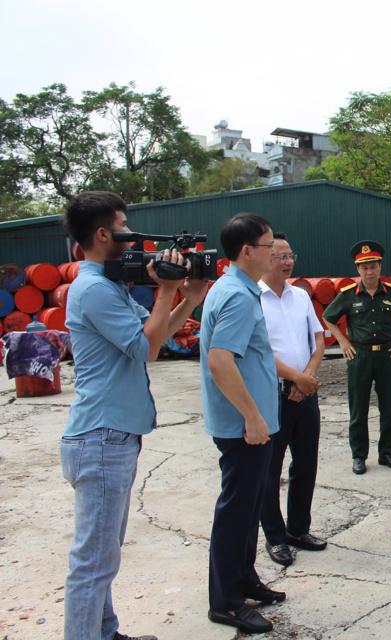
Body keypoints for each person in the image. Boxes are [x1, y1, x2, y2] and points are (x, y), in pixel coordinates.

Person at [60, 191, 206, 640]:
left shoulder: (109, 287)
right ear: (103, 234)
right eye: (124, 227)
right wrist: (165, 291)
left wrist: (189, 297)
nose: (132, 237)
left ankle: (104, 633)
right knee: (93, 561)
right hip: (101, 437)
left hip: (112, 435)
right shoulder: (93, 289)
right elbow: (144, 349)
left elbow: (155, 336)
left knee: (104, 553)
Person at [200, 213, 283, 634]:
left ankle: (244, 578)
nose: (274, 252)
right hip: (242, 427)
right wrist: (252, 416)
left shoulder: (238, 289)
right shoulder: (235, 295)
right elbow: (220, 360)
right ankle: (227, 601)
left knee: (249, 507)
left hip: (253, 424)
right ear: (247, 251)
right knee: (236, 511)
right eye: (269, 246)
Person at [258, 232, 327, 568]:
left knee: (305, 465)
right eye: (279, 256)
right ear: (263, 257)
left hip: (306, 391)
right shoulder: (252, 298)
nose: (287, 262)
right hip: (273, 394)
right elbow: (256, 352)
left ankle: (299, 530)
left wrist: (307, 377)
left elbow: (318, 340)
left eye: (290, 256)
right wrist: (294, 377)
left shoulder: (300, 296)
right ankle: (274, 535)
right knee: (269, 470)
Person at [323, 241, 391, 475]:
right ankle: (359, 455)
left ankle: (386, 452)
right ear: (358, 270)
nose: (369, 271)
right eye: (364, 267)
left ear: (380, 267)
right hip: (358, 356)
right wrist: (342, 341)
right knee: (358, 408)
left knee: (388, 407)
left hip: (387, 356)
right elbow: (328, 317)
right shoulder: (348, 295)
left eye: (373, 266)